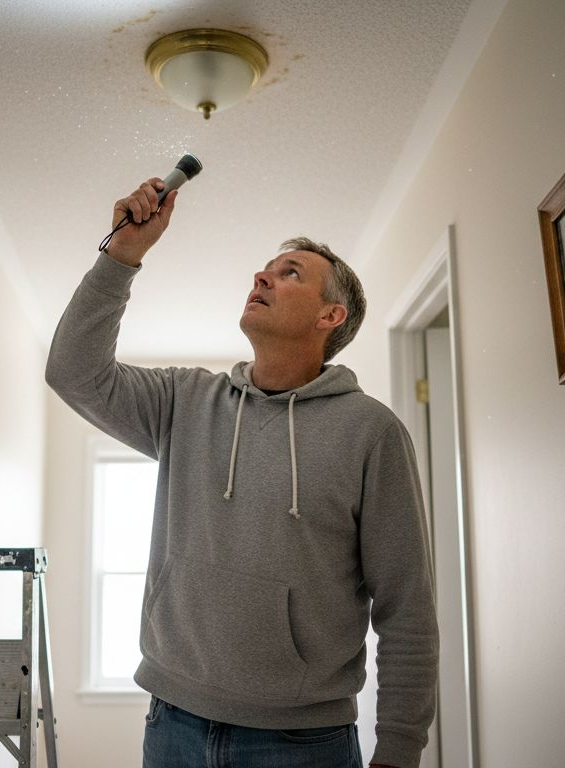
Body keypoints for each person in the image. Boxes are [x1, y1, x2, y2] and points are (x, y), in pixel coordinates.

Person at [46, 177, 438, 768]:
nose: (262, 277)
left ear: (331, 315)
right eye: (265, 269)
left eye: (290, 273)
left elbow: (406, 608)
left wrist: (400, 751)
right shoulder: (185, 400)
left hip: (304, 744)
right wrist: (124, 255)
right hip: (171, 723)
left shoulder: (372, 433)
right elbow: (73, 372)